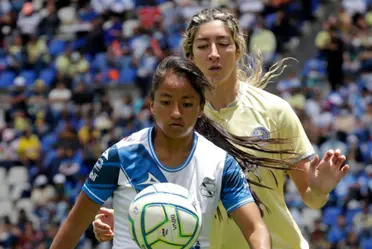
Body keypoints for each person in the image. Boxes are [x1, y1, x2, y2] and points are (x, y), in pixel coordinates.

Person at [92, 8, 350, 249]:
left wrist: (319, 187)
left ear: (238, 50)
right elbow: (168, 197)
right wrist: (127, 218)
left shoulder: (275, 111)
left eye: (223, 44)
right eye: (203, 46)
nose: (214, 53)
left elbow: (313, 199)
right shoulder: (178, 121)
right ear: (190, 57)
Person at [50, 55, 300, 249]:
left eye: (187, 103)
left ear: (201, 108)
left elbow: (256, 228)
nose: (176, 112)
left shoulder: (220, 164)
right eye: (166, 102)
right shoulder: (119, 157)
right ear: (152, 105)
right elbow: (74, 225)